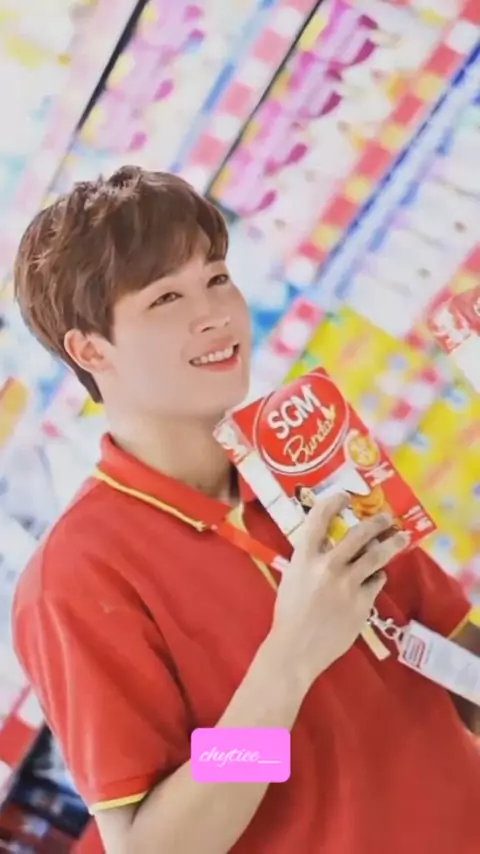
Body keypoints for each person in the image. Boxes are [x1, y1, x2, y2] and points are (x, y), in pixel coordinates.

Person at [11, 166, 480, 854]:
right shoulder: (77, 579)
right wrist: (289, 662)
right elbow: (151, 845)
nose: (215, 315)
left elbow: (456, 670)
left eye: (217, 278)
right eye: (166, 297)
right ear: (89, 349)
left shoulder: (309, 461)